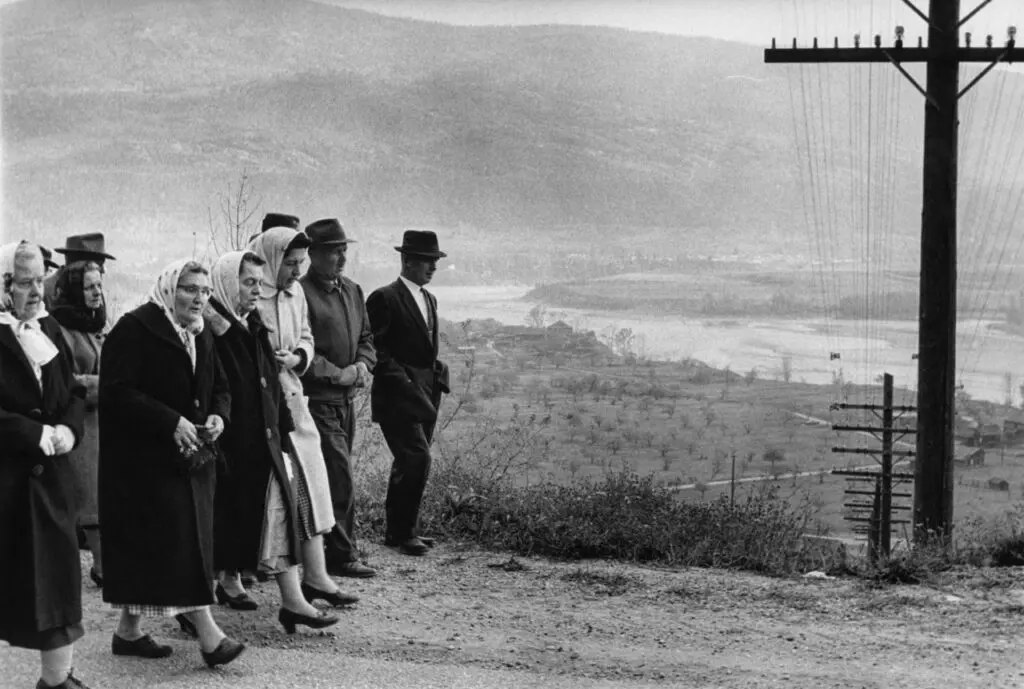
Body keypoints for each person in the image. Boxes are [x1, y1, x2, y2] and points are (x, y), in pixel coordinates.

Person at [98, 259, 245, 668]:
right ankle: (210, 637)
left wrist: (219, 416)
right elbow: (116, 392)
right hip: (142, 463)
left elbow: (221, 386)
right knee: (179, 544)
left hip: (188, 461)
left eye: (204, 291)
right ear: (168, 289)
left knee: (160, 546)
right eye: (189, 289)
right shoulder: (135, 329)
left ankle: (129, 632)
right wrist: (170, 420)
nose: (199, 298)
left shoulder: (201, 334)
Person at [205, 250, 341, 633]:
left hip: (263, 442)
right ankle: (195, 604)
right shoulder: (213, 329)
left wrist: (282, 430)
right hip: (232, 445)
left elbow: (271, 385)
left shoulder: (253, 323)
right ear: (229, 283)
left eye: (258, 284)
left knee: (281, 512)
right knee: (222, 524)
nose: (255, 291)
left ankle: (293, 600)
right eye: (248, 283)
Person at [247, 224, 359, 606]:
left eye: (301, 263)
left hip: (293, 396)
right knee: (283, 491)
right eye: (290, 264)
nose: (297, 272)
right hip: (261, 401)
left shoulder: (295, 295)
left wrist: (297, 357)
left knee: (313, 487)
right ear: (272, 260)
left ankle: (317, 576)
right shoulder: (250, 293)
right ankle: (245, 580)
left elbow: (306, 336)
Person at [0, 241, 92, 689]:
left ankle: (57, 680)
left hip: (50, 483)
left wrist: (69, 431)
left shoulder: (49, 329)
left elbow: (73, 390)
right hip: (7, 483)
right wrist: (32, 433)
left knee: (56, 579)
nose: (37, 291)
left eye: (40, 280)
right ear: (2, 285)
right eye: (24, 282)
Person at [300, 219, 377, 578]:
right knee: (338, 475)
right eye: (333, 250)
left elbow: (366, 337)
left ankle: (334, 549)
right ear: (312, 254)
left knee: (337, 476)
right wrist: (339, 374)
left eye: (343, 249)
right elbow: (302, 352)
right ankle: (341, 555)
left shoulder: (353, 291)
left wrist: (363, 364)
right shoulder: (301, 295)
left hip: (345, 403)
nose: (341, 257)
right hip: (317, 402)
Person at [366, 231, 450, 557]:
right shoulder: (384, 298)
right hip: (397, 396)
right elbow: (378, 351)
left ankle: (400, 531)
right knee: (417, 458)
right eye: (428, 261)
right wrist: (407, 384)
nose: (433, 268)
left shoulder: (430, 299)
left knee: (410, 462)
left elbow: (424, 350)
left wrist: (438, 374)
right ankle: (404, 534)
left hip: (427, 395)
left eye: (435, 261)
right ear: (407, 261)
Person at [50, 260, 108, 588]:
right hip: (81, 422)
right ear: (74, 290)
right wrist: (107, 384)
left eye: (99, 285)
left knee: (105, 494)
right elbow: (64, 380)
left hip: (105, 422)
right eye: (88, 287)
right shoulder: (61, 327)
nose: (97, 292)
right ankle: (101, 566)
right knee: (90, 497)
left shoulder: (97, 323)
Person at [44, 234, 115, 309]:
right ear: (77, 265)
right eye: (99, 264)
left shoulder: (95, 289)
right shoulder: (48, 291)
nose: (103, 270)